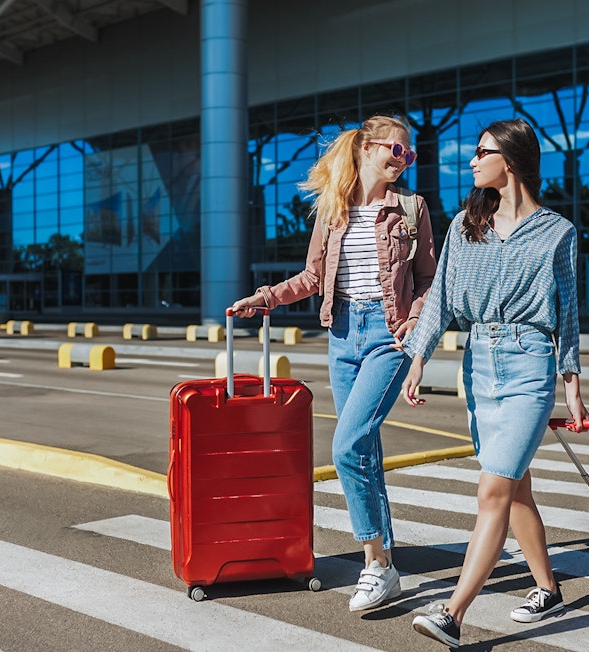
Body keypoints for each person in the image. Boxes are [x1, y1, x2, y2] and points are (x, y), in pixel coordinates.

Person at [229, 115, 437, 613]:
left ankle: (376, 564)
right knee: (362, 452)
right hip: (342, 335)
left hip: (389, 337)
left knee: (346, 446)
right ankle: (384, 564)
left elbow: (432, 278)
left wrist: (417, 319)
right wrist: (266, 299)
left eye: (410, 153)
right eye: (397, 149)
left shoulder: (411, 208)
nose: (404, 159)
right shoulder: (334, 210)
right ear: (366, 150)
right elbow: (312, 276)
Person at [399, 118, 589, 648]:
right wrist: (418, 358)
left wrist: (570, 380)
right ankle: (548, 588)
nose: (472, 161)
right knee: (515, 487)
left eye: (482, 152)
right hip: (479, 363)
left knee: (493, 488)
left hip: (530, 364)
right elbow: (438, 297)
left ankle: (453, 613)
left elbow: (568, 310)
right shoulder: (466, 225)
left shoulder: (558, 231)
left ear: (509, 160)